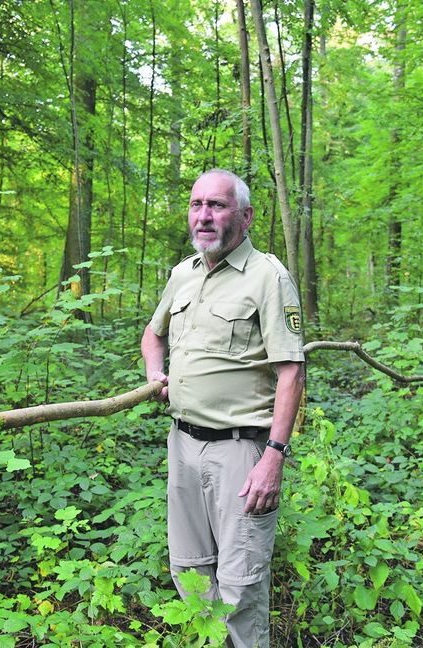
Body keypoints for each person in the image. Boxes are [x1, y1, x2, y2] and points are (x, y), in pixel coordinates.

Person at [141, 169, 305, 647]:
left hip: (241, 451)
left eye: (217, 205)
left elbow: (292, 371)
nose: (204, 216)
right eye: (197, 205)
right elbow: (154, 334)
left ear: (246, 216)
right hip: (182, 444)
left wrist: (274, 456)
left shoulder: (268, 277)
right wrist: (156, 374)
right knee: (188, 571)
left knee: (240, 585)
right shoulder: (183, 273)